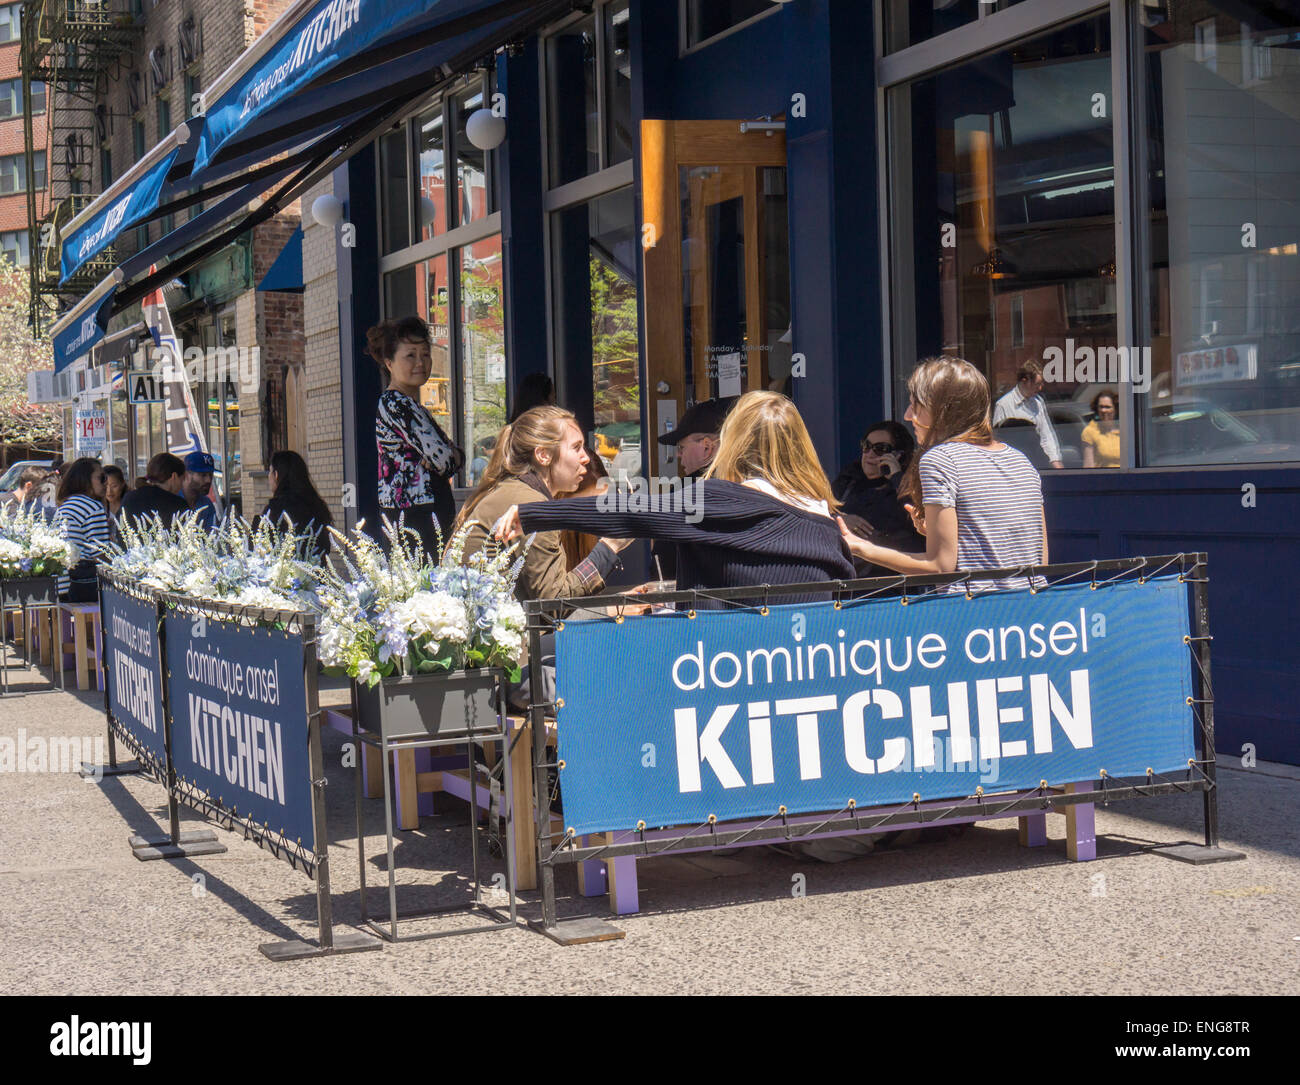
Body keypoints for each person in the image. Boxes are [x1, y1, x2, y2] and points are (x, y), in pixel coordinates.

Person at [493, 391, 855, 606]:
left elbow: (626, 511)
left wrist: (533, 514)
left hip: (722, 667)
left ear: (735, 446)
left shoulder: (718, 501)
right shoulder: (826, 520)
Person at [838, 357, 1046, 593]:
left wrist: (861, 547)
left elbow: (940, 566)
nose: (907, 415)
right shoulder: (1020, 461)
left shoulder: (939, 460)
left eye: (916, 405)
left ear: (943, 410)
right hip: (1031, 616)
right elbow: (1038, 560)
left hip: (972, 618)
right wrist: (941, 532)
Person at [457, 406, 633, 602]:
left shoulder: (515, 491)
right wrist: (610, 546)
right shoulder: (532, 503)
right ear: (543, 455)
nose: (585, 457)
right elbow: (555, 602)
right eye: (576, 447)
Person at [367, 316, 465, 557]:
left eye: (425, 354)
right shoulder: (396, 403)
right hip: (414, 518)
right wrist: (452, 454)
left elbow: (448, 456)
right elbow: (445, 460)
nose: (420, 362)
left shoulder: (412, 406)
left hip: (420, 515)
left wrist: (452, 454)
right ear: (389, 363)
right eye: (410, 355)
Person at [652, 396, 737, 579]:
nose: (678, 454)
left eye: (681, 447)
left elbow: (664, 563)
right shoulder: (752, 486)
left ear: (707, 447)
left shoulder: (684, 494)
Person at [832, 419, 923, 561]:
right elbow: (819, 514)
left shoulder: (909, 486)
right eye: (866, 446)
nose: (870, 454)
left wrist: (896, 476)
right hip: (851, 571)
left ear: (899, 455)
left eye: (880, 449)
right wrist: (841, 520)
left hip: (893, 572)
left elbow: (920, 517)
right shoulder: (848, 480)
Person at [256, 450, 334, 557]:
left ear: (276, 474)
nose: (268, 477)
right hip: (316, 570)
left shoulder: (275, 509)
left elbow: (263, 548)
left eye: (270, 471)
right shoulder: (317, 505)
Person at [53, 458, 111, 603]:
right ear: (86, 480)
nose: (106, 483)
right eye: (101, 478)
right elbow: (100, 553)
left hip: (61, 583)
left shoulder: (67, 505)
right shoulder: (93, 508)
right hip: (83, 585)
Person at [992, 360, 1063, 469]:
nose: (1040, 388)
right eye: (1037, 384)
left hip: (1038, 462)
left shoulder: (1038, 403)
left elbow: (1046, 436)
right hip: (1014, 465)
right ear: (1025, 381)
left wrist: (1055, 461)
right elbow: (997, 441)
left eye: (1041, 384)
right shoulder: (1003, 405)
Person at [120, 452, 192, 529]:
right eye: (182, 479)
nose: (182, 484)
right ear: (174, 476)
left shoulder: (129, 498)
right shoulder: (178, 504)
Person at [1081, 388, 1120, 468]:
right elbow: (1088, 467)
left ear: (1116, 409)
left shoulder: (1125, 430)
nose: (1103, 410)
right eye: (1101, 407)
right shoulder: (1090, 431)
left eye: (1107, 407)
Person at [182, 451, 219, 529]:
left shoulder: (206, 504)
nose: (208, 480)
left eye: (210, 475)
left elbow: (212, 535)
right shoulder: (172, 500)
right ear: (186, 475)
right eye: (203, 475)